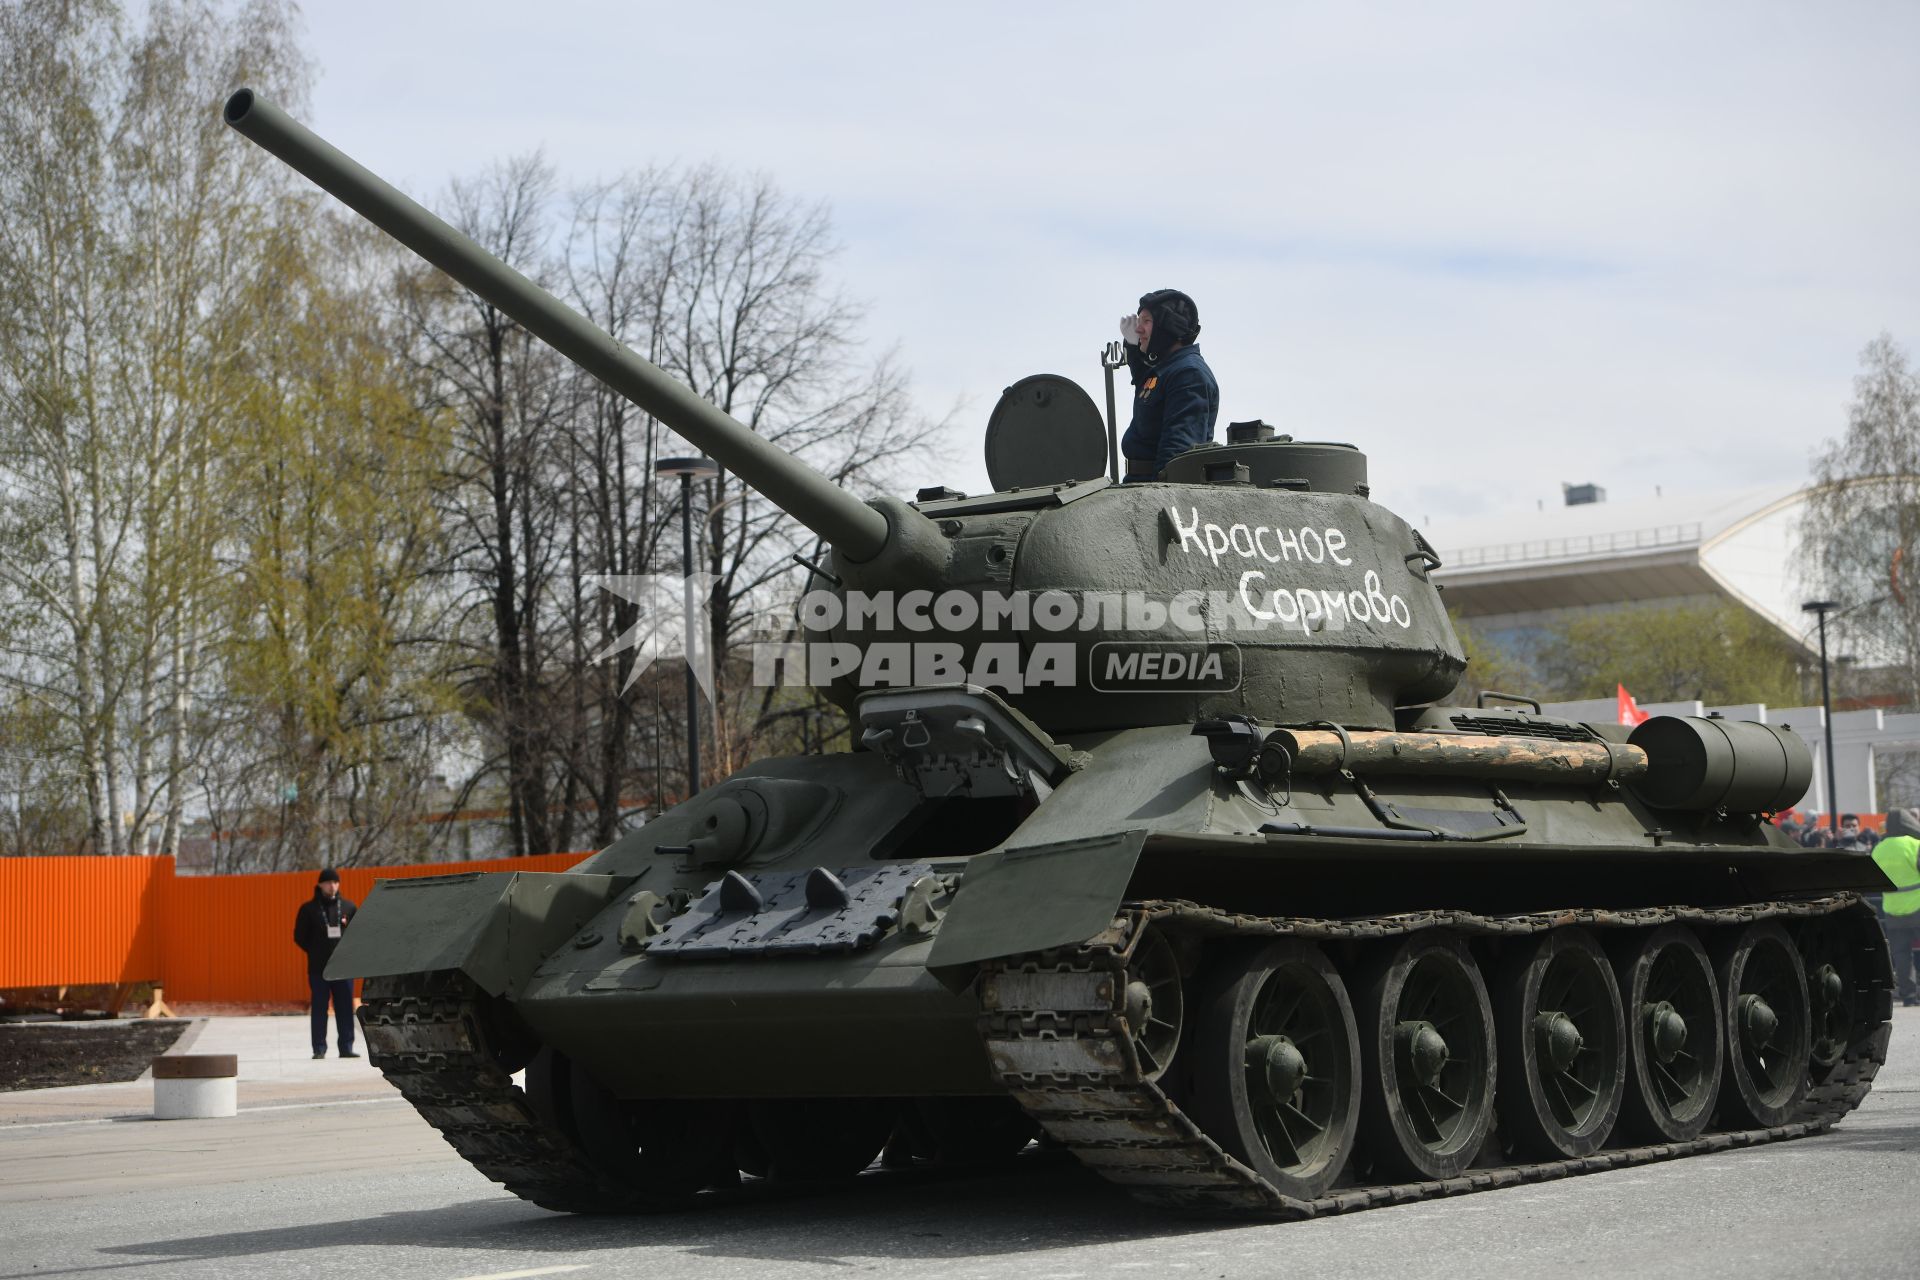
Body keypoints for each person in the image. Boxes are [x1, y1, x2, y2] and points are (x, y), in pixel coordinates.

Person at [1117, 289, 1219, 480]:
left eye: (1146, 321)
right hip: (1139, 486)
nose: (1138, 329)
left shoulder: (1189, 374)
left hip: (1156, 490)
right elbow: (1146, 382)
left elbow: (1177, 454)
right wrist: (1133, 345)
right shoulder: (1167, 368)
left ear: (1168, 326)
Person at [294, 867, 360, 1059]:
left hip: (343, 968)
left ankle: (346, 1047)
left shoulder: (348, 907)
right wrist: (315, 951)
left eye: (335, 882)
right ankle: (319, 1048)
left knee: (345, 1008)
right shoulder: (309, 909)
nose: (332, 886)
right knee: (320, 1008)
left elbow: (357, 935)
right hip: (319, 969)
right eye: (328, 882)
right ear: (320, 884)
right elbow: (299, 937)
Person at [1872, 809, 1920, 1006]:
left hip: (1892, 908)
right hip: (1918, 905)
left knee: (1901, 954)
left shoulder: (1879, 848)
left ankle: (1907, 995)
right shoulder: (1915, 845)